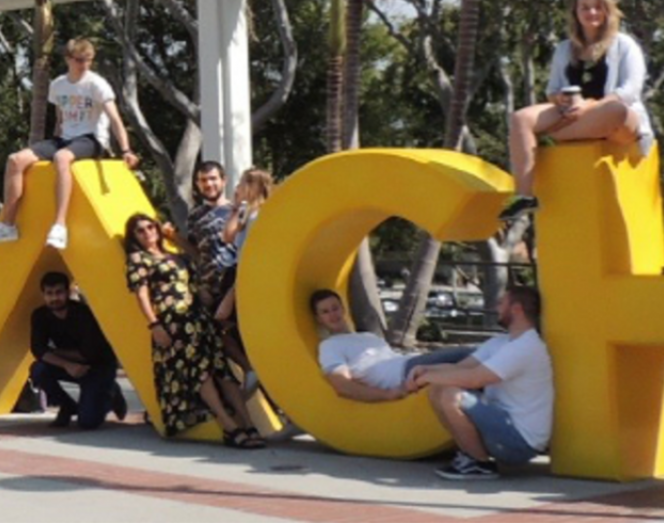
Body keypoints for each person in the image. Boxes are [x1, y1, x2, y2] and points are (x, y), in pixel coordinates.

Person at [499, 0, 653, 220]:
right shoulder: (564, 49)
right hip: (573, 115)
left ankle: (547, 139)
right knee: (521, 118)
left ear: (607, 11)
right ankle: (524, 195)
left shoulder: (624, 44)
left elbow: (630, 90)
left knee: (616, 112)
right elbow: (552, 89)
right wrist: (559, 98)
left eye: (597, 7)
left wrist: (589, 106)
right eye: (585, 8)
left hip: (611, 113)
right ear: (576, 13)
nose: (591, 13)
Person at [0, 37, 140, 250]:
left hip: (92, 139)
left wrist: (126, 149)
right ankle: (8, 224)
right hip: (64, 138)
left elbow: (116, 119)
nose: (84, 65)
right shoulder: (58, 85)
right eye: (80, 60)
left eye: (89, 60)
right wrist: (50, 143)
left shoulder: (97, 84)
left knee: (62, 158)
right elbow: (61, 119)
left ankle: (60, 225)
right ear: (68, 59)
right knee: (15, 160)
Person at [122, 213, 264, 448]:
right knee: (201, 373)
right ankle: (229, 426)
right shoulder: (138, 259)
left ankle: (248, 424)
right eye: (140, 230)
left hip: (198, 317)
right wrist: (154, 324)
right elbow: (142, 294)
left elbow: (197, 263)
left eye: (150, 227)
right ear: (133, 236)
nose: (148, 233)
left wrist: (174, 237)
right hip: (174, 322)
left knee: (222, 370)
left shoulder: (176, 256)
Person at [408, 286, 552, 480]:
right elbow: (462, 367)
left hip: (520, 441)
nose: (496, 307)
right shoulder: (501, 342)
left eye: (502, 303)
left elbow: (475, 378)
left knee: (452, 395)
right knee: (438, 390)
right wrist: (427, 371)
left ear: (516, 309)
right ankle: (470, 457)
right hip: (499, 425)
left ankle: (480, 464)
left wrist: (424, 378)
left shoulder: (527, 347)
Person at [309, 289, 473, 402]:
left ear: (343, 309)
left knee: (475, 360)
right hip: (405, 373)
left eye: (335, 308)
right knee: (467, 354)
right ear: (318, 319)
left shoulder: (368, 336)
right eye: (325, 312)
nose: (333, 314)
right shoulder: (329, 346)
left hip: (411, 362)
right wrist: (387, 394)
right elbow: (342, 386)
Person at [29, 272, 127, 429]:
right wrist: (67, 364)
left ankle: (111, 393)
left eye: (59, 292)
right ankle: (67, 406)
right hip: (71, 365)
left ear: (68, 292)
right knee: (38, 369)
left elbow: (89, 353)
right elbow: (37, 349)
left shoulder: (85, 314)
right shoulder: (40, 315)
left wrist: (54, 352)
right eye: (49, 293)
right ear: (44, 295)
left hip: (98, 368)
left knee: (88, 423)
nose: (54, 298)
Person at [211, 169, 273, 380]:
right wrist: (236, 207)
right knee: (221, 322)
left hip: (248, 272)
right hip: (239, 269)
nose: (239, 188)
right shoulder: (247, 211)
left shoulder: (263, 213)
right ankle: (250, 368)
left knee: (223, 319)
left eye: (244, 183)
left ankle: (254, 368)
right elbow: (227, 236)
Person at [184, 162, 236, 315]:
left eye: (213, 179)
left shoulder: (237, 211)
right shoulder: (195, 216)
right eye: (203, 180)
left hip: (236, 283)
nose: (208, 184)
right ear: (198, 184)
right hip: (210, 290)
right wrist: (200, 286)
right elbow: (194, 252)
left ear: (223, 180)